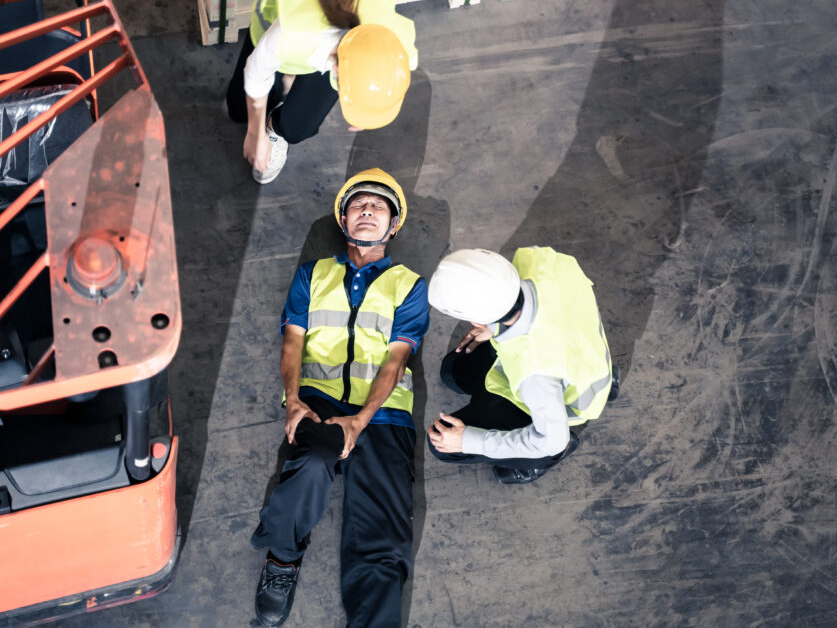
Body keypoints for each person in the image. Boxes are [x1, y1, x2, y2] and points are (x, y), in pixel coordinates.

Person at [252, 169, 429, 627]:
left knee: (383, 537)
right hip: (318, 403)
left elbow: (396, 360)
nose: (367, 210)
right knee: (308, 468)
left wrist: (362, 419)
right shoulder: (313, 274)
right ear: (344, 220)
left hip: (384, 415)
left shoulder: (409, 285)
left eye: (378, 206)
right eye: (358, 205)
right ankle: (283, 558)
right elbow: (292, 342)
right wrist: (292, 399)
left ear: (393, 225)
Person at [425, 247, 618, 484]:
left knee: (442, 442)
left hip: (563, 392)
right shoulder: (536, 259)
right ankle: (608, 381)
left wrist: (468, 440)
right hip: (582, 352)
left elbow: (550, 440)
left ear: (476, 319)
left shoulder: (536, 372)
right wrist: (494, 327)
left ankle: (545, 460)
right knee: (454, 370)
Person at [225, 0, 418, 184]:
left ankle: (274, 128)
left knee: (297, 128)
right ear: (335, 70)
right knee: (238, 109)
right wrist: (255, 134)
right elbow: (256, 71)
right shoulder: (294, 34)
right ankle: (281, 87)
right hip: (287, 8)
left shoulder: (396, 45)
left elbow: (391, 75)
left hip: (345, 36)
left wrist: (368, 106)